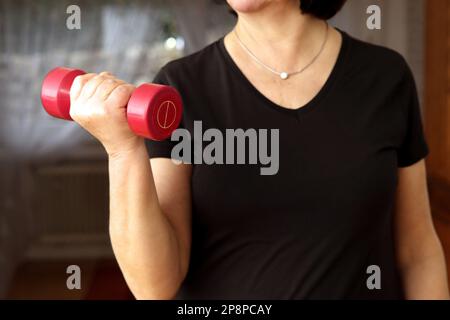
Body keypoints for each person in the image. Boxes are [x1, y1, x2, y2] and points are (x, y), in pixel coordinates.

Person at [68, 0, 449, 299]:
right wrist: (122, 150)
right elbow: (155, 287)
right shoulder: (180, 88)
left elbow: (418, 250)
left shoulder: (385, 77)